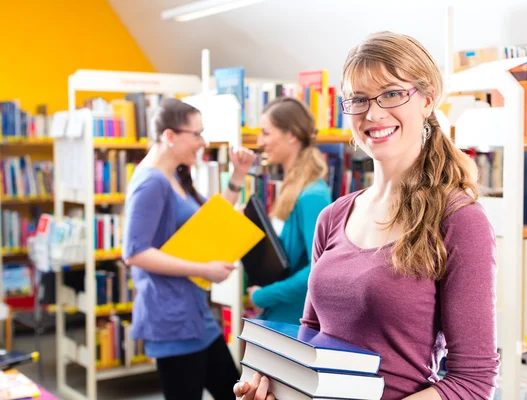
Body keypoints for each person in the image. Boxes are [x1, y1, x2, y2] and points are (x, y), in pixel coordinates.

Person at [234, 32, 499, 400]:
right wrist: (275, 388)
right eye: (358, 100)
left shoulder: (458, 219)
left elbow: (473, 382)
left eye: (391, 93)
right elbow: (310, 335)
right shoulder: (332, 216)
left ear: (427, 99)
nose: (373, 113)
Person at [122, 98, 257, 400]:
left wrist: (238, 175)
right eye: (196, 134)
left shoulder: (174, 177)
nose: (203, 142)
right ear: (170, 136)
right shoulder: (151, 183)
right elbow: (134, 252)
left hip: (193, 314)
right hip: (172, 320)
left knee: (233, 392)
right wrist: (203, 270)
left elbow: (210, 224)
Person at [245, 97, 332, 325]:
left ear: (291, 135)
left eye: (266, 133)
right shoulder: (291, 186)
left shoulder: (313, 194)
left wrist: (263, 296)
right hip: (279, 315)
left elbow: (319, 267)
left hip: (294, 322)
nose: (259, 142)